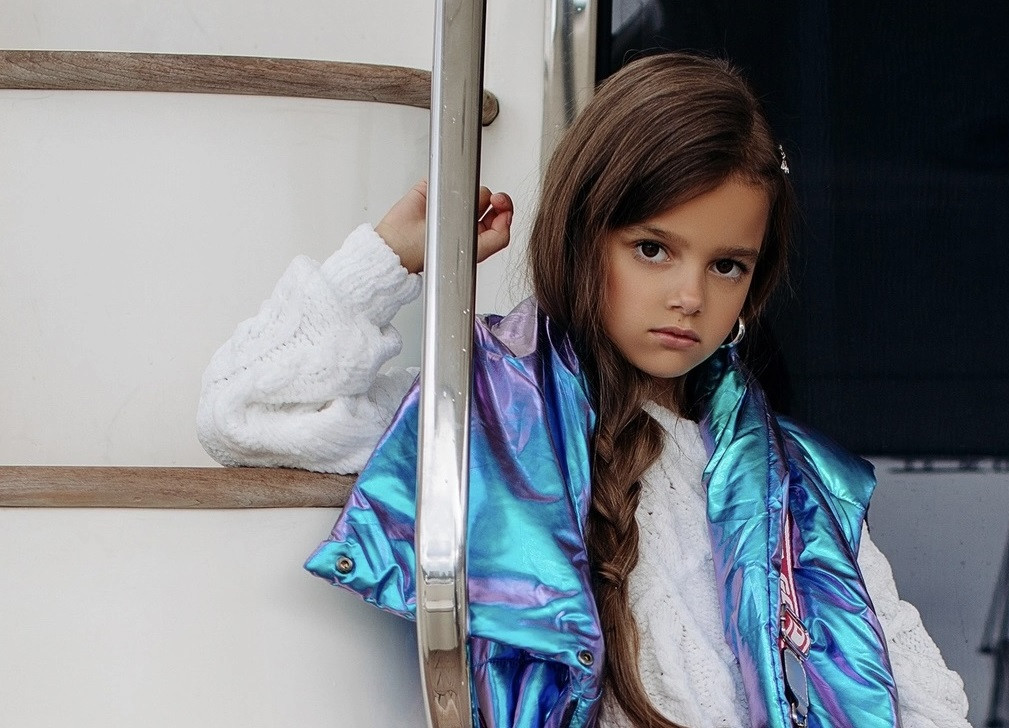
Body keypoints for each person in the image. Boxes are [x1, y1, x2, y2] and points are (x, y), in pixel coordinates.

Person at [198, 53, 969, 728]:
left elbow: (919, 693)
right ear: (581, 233)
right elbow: (249, 409)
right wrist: (392, 258)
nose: (689, 296)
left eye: (726, 265)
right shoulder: (489, 412)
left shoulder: (797, 483)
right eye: (652, 249)